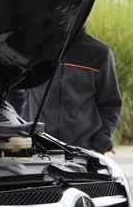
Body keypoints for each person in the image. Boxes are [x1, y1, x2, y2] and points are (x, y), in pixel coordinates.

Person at [7, 24, 122, 155]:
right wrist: (15, 131)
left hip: (82, 151)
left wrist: (101, 142)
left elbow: (110, 104)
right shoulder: (33, 50)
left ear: (87, 12)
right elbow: (13, 92)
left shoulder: (99, 53)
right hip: (35, 148)